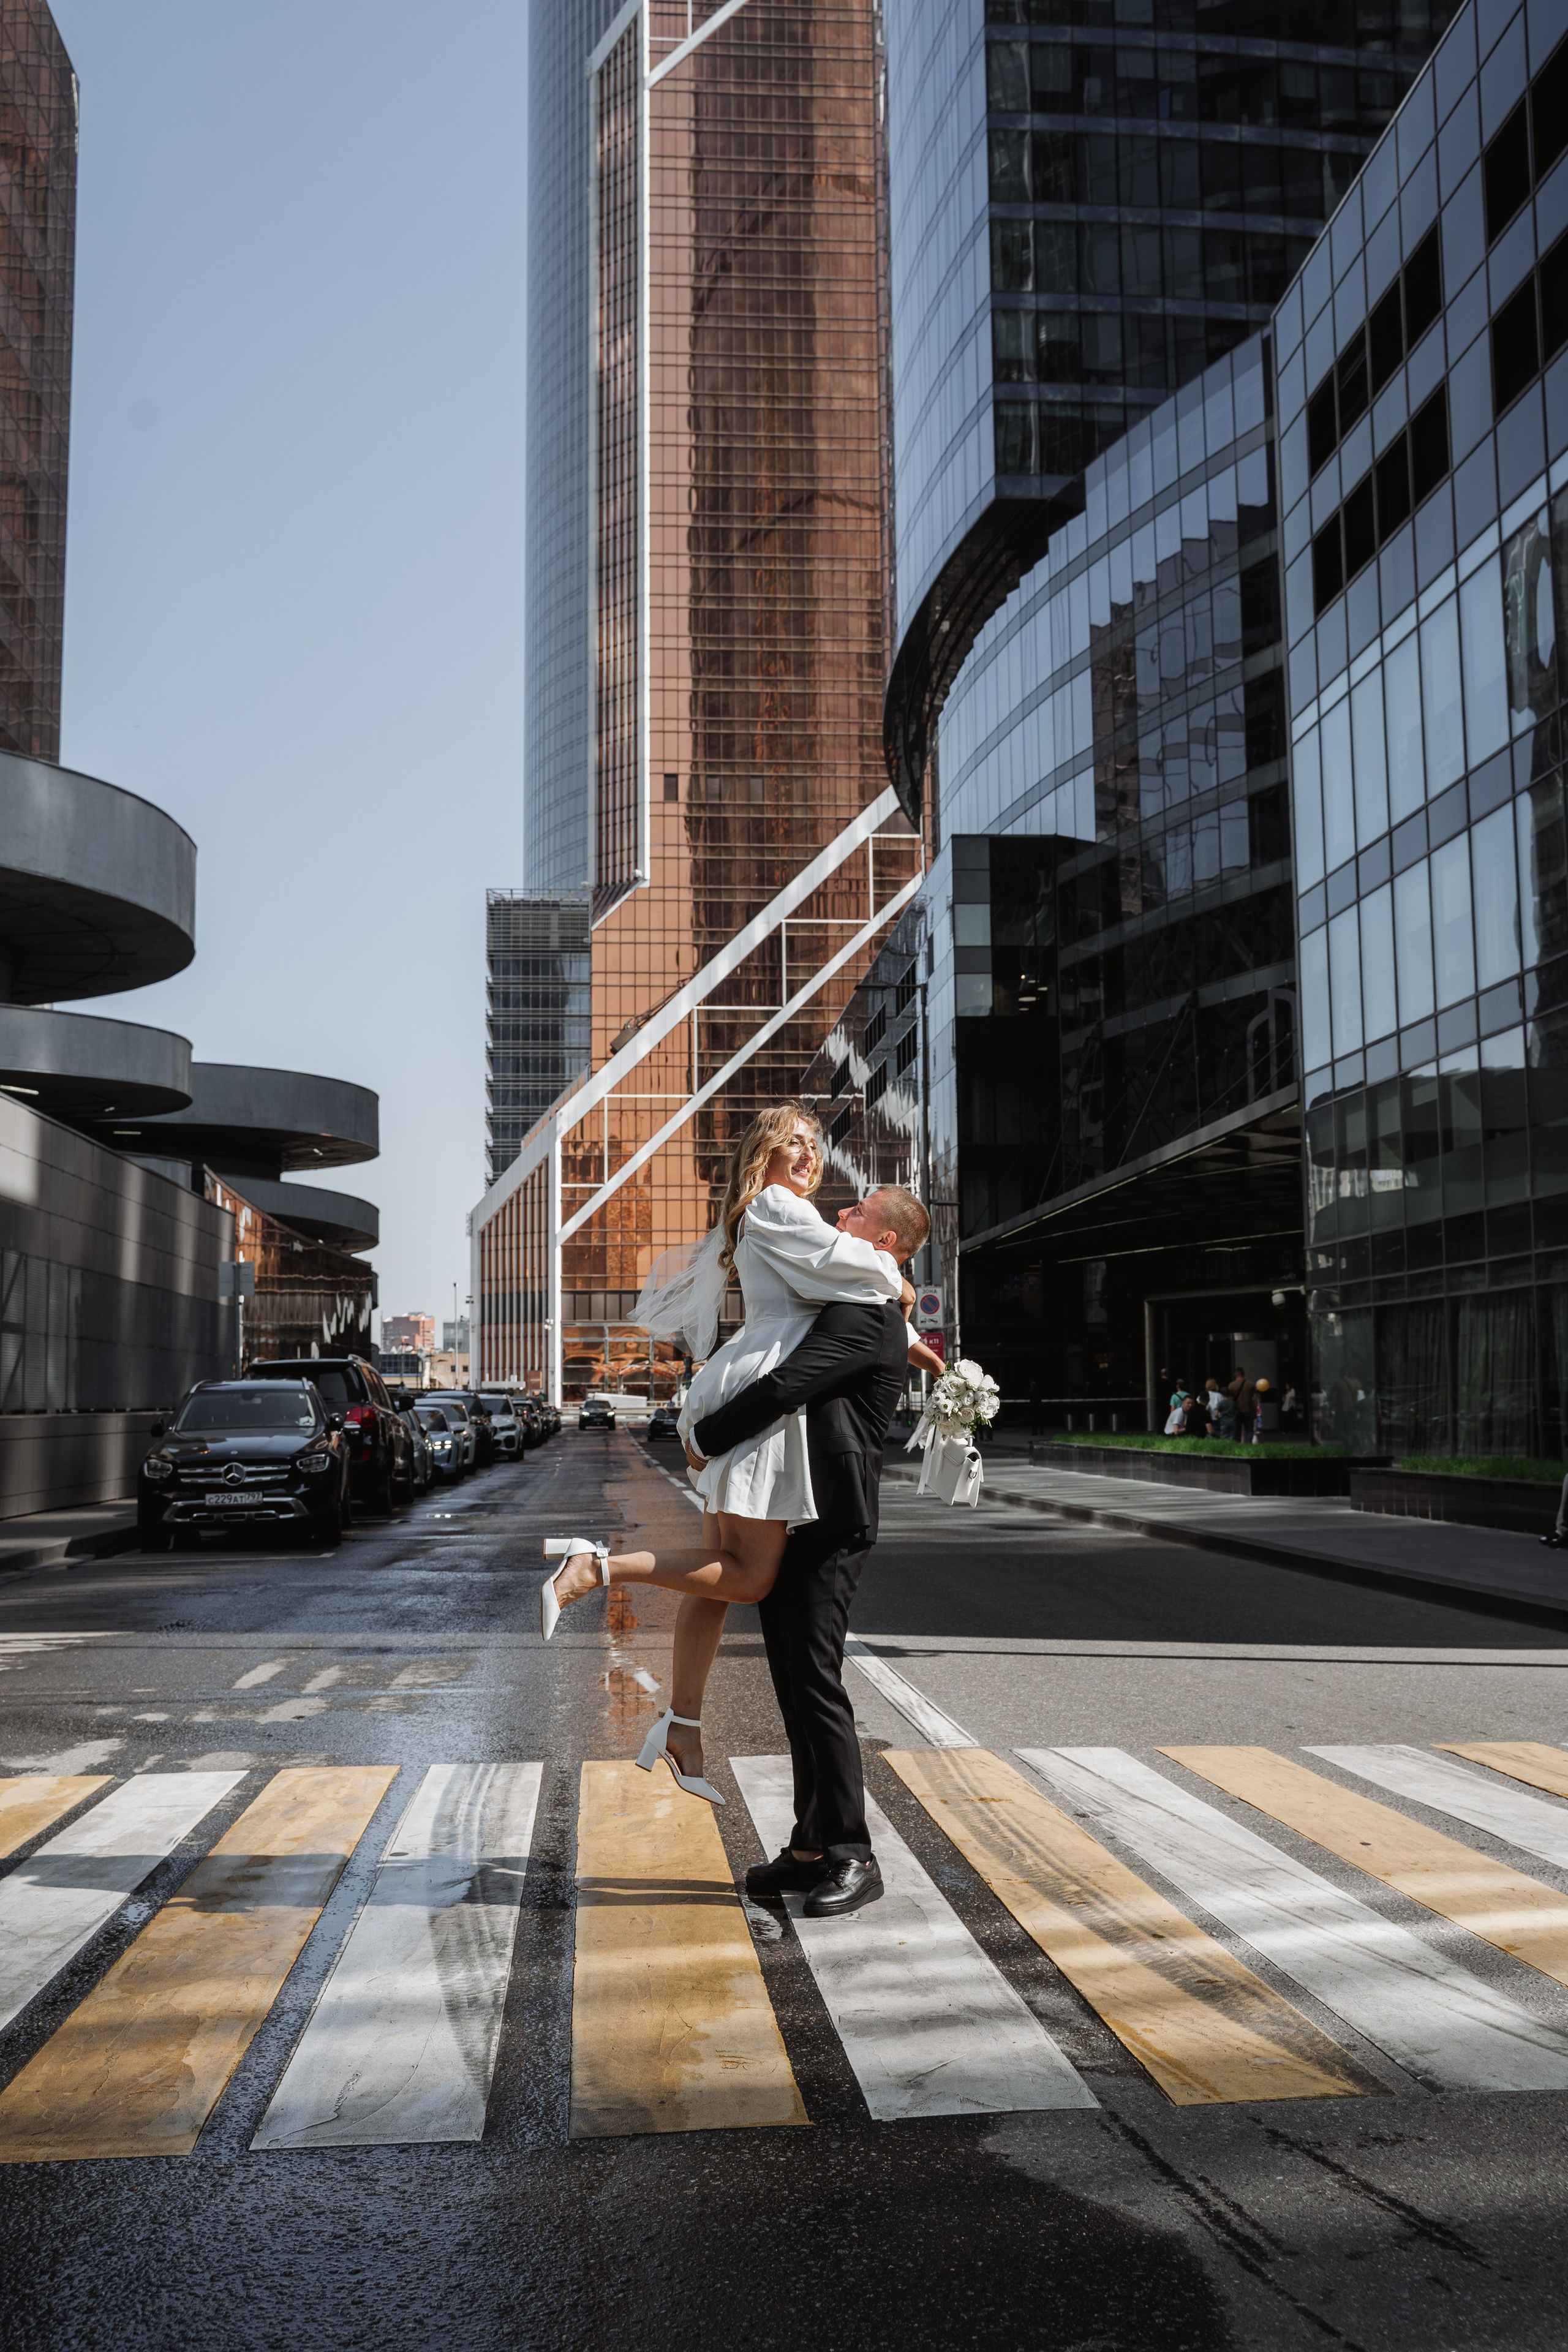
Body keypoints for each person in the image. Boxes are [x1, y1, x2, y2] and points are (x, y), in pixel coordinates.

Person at [538, 1100, 931, 1811]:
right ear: (766, 1153)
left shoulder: (764, 1209)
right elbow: (854, 1271)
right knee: (749, 1578)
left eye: (814, 1145)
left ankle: (683, 1723)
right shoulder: (780, 1207)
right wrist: (896, 1277)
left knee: (716, 1581)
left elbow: (850, 1301)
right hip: (763, 1397)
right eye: (794, 1143)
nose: (809, 1157)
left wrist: (918, 1342)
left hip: (743, 1379)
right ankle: (597, 1565)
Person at [684, 1199, 930, 1921]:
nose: (839, 1212)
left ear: (880, 1239)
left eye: (855, 1211)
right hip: (796, 1511)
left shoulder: (865, 1315)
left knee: (816, 1684)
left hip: (830, 1518)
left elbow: (789, 1384)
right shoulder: (857, 1299)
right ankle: (807, 1847)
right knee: (793, 1686)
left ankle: (853, 1854)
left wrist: (707, 1436)